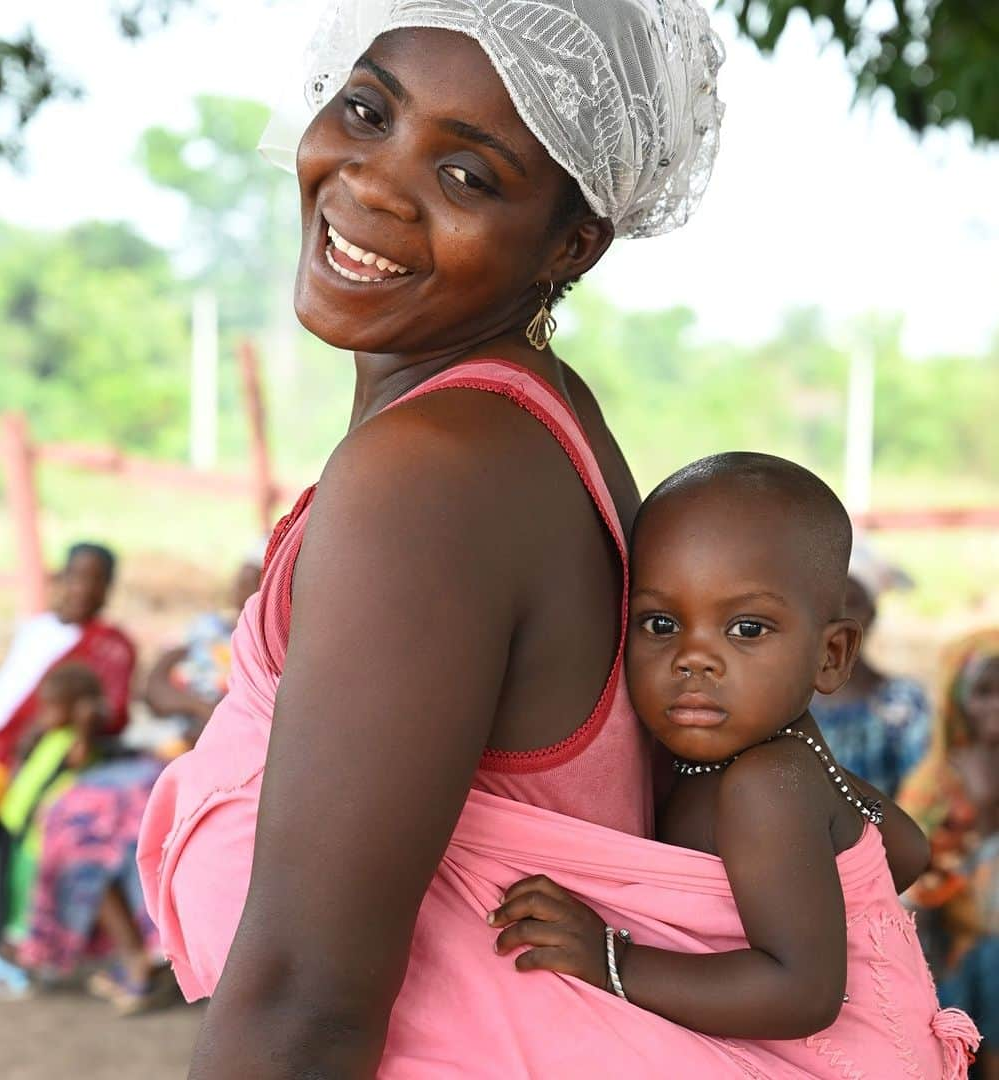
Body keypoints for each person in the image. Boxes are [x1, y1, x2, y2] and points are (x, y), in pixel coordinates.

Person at [137, 0, 739, 1074]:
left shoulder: (435, 475)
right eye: (367, 110)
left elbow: (308, 1004)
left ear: (572, 243)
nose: (371, 181)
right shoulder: (525, 420)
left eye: (468, 175)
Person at [485, 453, 978, 1076]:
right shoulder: (790, 760)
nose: (695, 659)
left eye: (746, 628)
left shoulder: (764, 783)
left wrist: (610, 959)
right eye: (661, 623)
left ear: (831, 656)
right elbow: (903, 850)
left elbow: (802, 993)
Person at [0, 543, 134, 948]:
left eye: (97, 581)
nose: (85, 590)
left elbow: (113, 713)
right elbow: (2, 707)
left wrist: (80, 721)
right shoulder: (37, 631)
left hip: (8, 761)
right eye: (77, 578)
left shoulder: (110, 645)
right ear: (60, 578)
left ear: (108, 589)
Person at [0, 662, 105, 1001]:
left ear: (76, 708)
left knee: (26, 911)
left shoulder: (77, 745)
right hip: (16, 833)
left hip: (39, 844)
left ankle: (19, 974)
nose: (44, 712)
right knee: (9, 903)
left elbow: (82, 743)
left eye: (53, 706)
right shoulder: (50, 737)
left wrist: (84, 717)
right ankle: (1, 964)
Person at [901, 630, 999, 1080]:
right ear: (956, 702)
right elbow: (914, 890)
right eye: (984, 691)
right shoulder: (935, 787)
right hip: (953, 951)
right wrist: (978, 812)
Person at [810, 538, 932, 798]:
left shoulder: (902, 703)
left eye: (851, 603)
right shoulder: (785, 699)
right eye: (826, 603)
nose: (837, 617)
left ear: (871, 614)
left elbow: (921, 795)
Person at [143, 545, 265, 755]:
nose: (243, 589)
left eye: (254, 581)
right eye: (240, 580)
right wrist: (199, 708)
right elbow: (155, 689)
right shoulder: (205, 627)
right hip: (177, 733)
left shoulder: (266, 648)